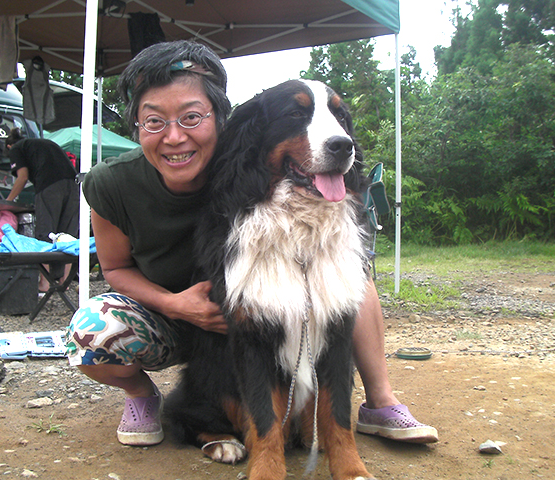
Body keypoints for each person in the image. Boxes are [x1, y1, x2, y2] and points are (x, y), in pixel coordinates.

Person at [65, 40, 438, 449]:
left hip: (258, 307)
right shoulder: (111, 183)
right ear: (136, 125)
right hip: (178, 318)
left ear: (219, 118)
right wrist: (177, 305)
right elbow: (115, 269)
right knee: (92, 331)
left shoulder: (244, 157)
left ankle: (379, 400)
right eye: (154, 122)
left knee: (347, 276)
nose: (175, 137)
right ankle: (143, 396)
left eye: (191, 117)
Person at [5, 129, 80, 290]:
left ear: (9, 146)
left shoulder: (16, 148)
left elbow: (22, 176)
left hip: (49, 185)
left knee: (45, 232)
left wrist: (8, 202)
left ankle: (44, 283)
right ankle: (65, 282)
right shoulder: (40, 143)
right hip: (74, 184)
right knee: (67, 236)